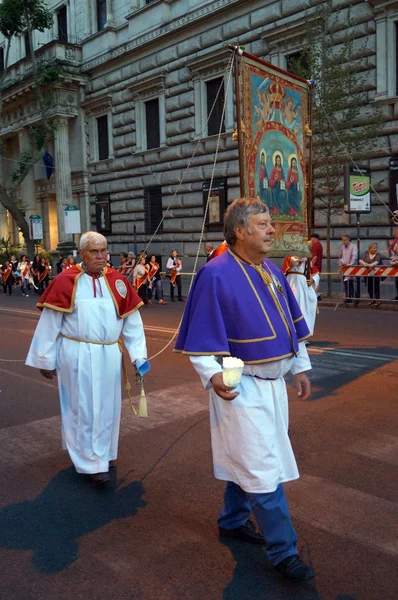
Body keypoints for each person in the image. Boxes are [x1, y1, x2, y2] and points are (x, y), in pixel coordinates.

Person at [175, 198, 316, 583]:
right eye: (264, 224)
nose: (273, 230)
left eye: (271, 223)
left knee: (252, 458)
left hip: (273, 387)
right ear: (240, 231)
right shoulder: (216, 274)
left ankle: (233, 520)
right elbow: (202, 335)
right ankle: (284, 551)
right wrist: (211, 374)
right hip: (239, 380)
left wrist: (299, 368)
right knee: (261, 467)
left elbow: (292, 326)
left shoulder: (270, 270)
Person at [25, 232, 148, 486]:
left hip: (109, 355)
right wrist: (45, 360)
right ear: (82, 254)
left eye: (104, 251)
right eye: (95, 252)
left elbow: (132, 324)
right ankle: (89, 462)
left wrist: (139, 357)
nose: (101, 257)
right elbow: (50, 323)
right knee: (83, 407)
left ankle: (103, 453)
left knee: (107, 407)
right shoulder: (65, 280)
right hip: (76, 355)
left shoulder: (117, 281)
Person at [282, 256, 319, 337]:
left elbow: (316, 273)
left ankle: (303, 334)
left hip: (302, 284)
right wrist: (303, 256)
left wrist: (313, 280)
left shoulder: (307, 259)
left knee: (305, 307)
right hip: (291, 283)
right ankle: (291, 333)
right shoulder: (290, 256)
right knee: (292, 307)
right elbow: (294, 261)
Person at [359, 242, 383, 306]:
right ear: (370, 248)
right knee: (369, 287)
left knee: (376, 286)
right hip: (367, 273)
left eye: (376, 248)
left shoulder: (378, 254)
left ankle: (378, 300)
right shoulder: (365, 253)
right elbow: (360, 260)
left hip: (376, 273)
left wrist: (370, 265)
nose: (375, 249)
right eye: (374, 248)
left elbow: (377, 261)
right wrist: (365, 264)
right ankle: (373, 299)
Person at [338, 235, 358, 303]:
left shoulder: (353, 247)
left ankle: (353, 296)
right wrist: (340, 263)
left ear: (348, 240)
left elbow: (354, 256)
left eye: (344, 240)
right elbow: (340, 256)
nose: (343, 242)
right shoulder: (342, 248)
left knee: (350, 282)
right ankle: (348, 297)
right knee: (346, 283)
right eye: (342, 240)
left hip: (350, 267)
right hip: (344, 267)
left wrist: (351, 263)